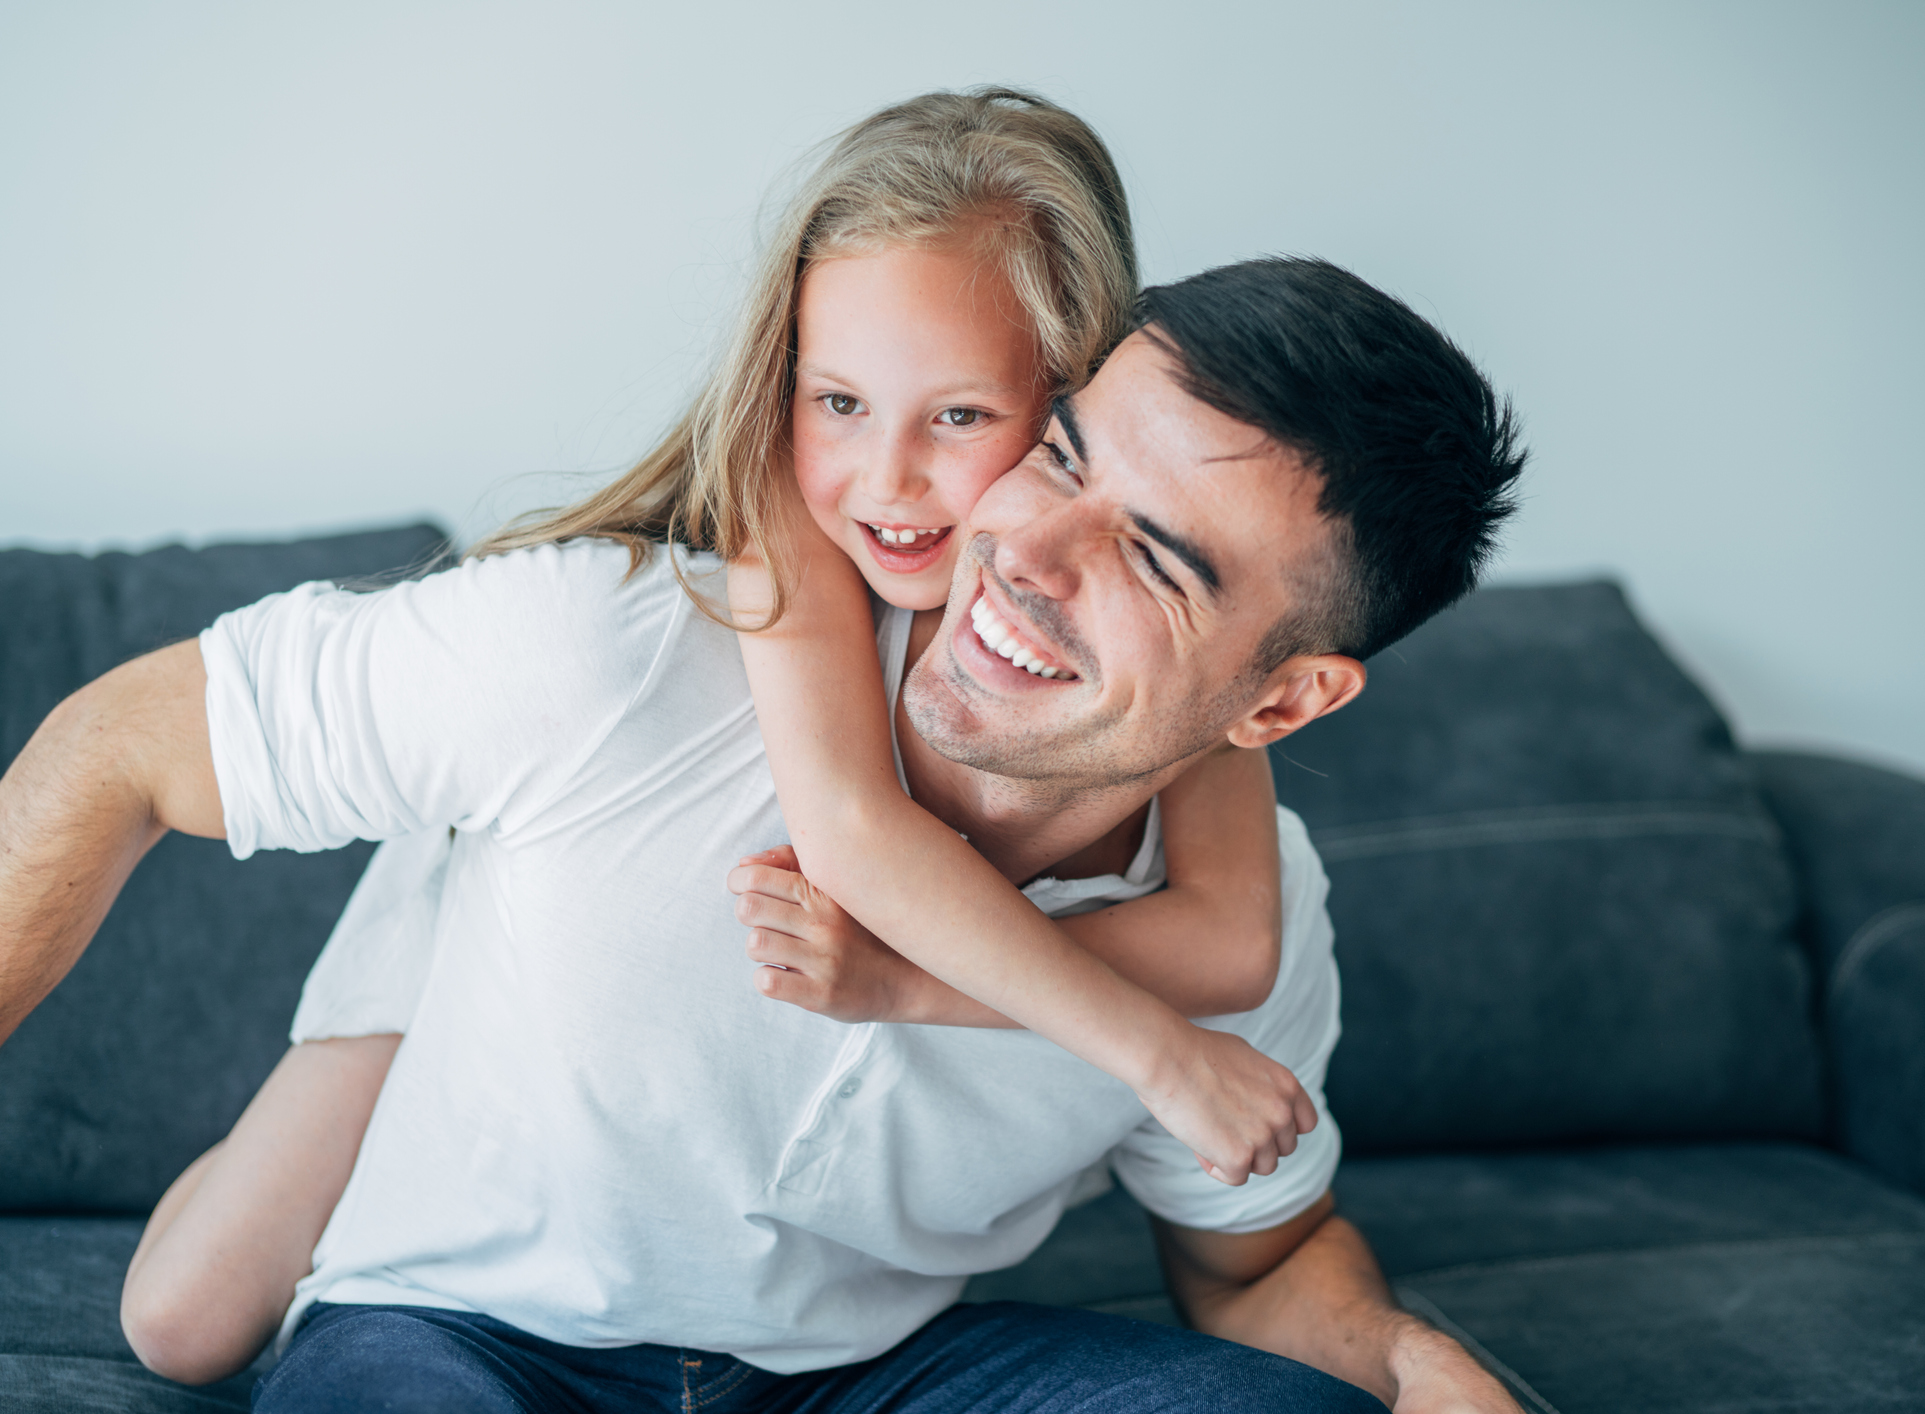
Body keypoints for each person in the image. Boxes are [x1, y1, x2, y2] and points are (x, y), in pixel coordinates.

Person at [0, 252, 1527, 1409]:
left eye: (1156, 556)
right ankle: (404, 975)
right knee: (211, 1316)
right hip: (460, 1324)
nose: (1024, 551)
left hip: (859, 1378)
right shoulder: (626, 651)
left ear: (1284, 702)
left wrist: (1408, 1361)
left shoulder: (1248, 910)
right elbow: (117, 740)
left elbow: (1257, 1259)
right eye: (1062, 451)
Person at [111, 86, 1317, 1386]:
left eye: (961, 416)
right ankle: (432, 984)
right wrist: (1159, 1051)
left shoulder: (1153, 672)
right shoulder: (783, 510)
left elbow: (1238, 931)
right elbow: (852, 831)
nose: (889, 479)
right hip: (478, 878)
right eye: (837, 399)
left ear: (1077, 411)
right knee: (183, 1319)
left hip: (808, 1328)